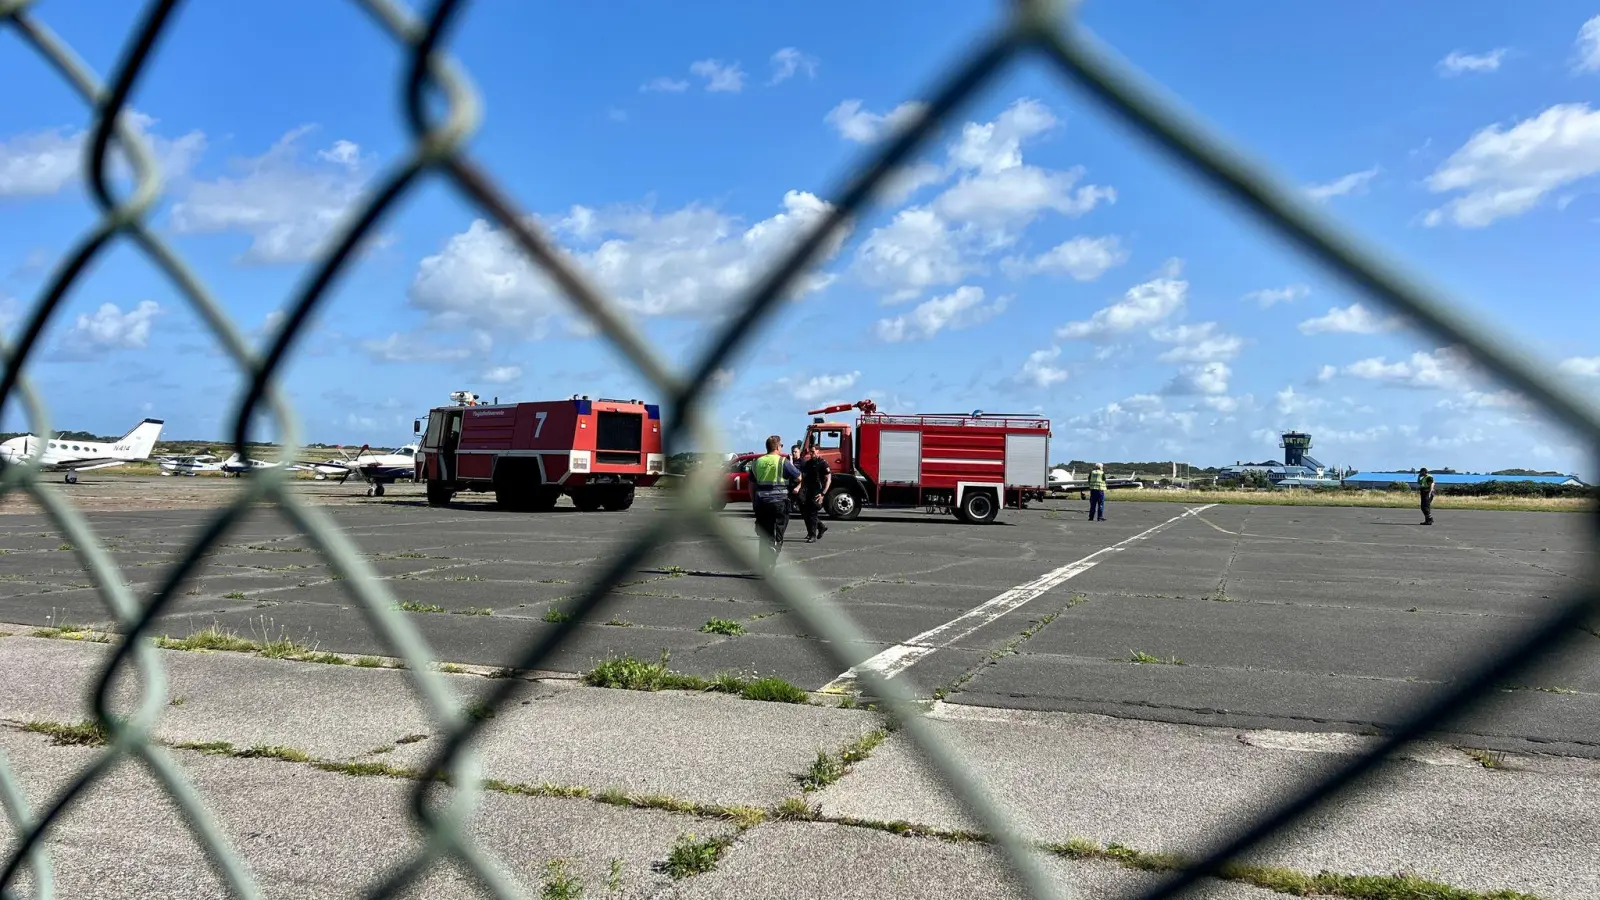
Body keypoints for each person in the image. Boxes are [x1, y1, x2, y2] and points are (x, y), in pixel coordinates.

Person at [752, 435, 802, 571]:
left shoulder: (757, 462)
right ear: (778, 447)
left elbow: (752, 484)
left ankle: (763, 565)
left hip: (761, 502)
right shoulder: (783, 462)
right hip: (779, 502)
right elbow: (798, 477)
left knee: (764, 535)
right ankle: (771, 560)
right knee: (777, 535)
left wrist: (754, 502)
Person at [799, 445, 832, 542]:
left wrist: (823, 493)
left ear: (818, 451)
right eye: (810, 452)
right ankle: (820, 527)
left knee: (813, 513)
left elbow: (828, 479)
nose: (811, 453)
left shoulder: (823, 463)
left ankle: (813, 535)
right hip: (808, 490)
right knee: (806, 513)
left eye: (813, 451)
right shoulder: (808, 463)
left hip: (818, 491)